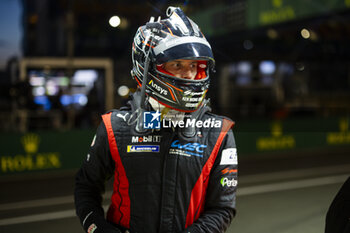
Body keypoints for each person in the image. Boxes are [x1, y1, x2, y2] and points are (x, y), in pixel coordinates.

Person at [74, 6, 238, 233]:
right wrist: (98, 228)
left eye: (194, 65)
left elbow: (222, 208)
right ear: (147, 68)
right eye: (177, 64)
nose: (189, 74)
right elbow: (86, 186)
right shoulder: (116, 127)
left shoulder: (219, 132)